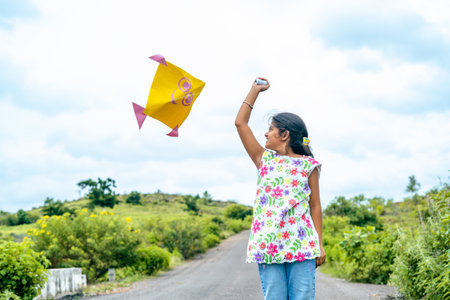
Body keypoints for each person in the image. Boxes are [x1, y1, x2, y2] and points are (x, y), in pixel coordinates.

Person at [235, 78, 326, 300]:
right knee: (274, 296)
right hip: (268, 244)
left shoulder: (308, 166)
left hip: (302, 245)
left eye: (271, 129)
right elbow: (240, 124)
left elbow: (315, 206)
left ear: (284, 135)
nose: (266, 134)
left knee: (302, 297)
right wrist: (254, 90)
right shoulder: (263, 159)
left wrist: (319, 244)